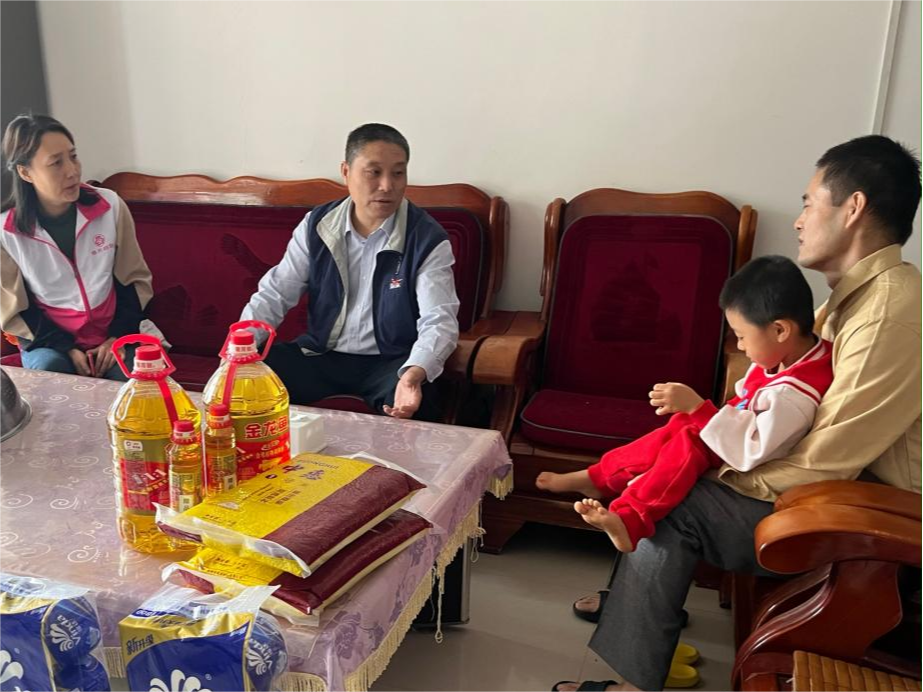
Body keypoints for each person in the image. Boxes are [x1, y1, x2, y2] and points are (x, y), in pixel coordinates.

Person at [553, 134, 922, 692]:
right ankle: (640, 607)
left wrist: (715, 462)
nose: (799, 220)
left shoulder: (888, 313)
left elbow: (828, 461)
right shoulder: (859, 295)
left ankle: (635, 676)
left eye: (809, 202)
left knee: (680, 498)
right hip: (845, 491)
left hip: (878, 518)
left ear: (853, 208)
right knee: (675, 453)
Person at [539, 256, 833, 553]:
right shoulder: (789, 353)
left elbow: (751, 452)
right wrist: (699, 414)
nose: (740, 346)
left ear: (780, 330)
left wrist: (700, 410)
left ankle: (631, 519)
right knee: (680, 424)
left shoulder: (791, 397)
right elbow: (745, 397)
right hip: (736, 429)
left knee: (687, 442)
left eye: (742, 336)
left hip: (743, 452)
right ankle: (599, 477)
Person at [240, 123, 459, 421]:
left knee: (417, 398)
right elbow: (276, 292)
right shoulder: (318, 226)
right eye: (373, 172)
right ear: (346, 172)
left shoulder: (427, 239)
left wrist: (414, 373)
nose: (387, 185)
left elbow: (439, 318)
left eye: (398, 173)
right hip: (320, 356)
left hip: (391, 362)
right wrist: (240, 347)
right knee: (252, 380)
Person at [0, 114, 155, 379]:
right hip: (48, 340)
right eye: (56, 163)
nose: (72, 171)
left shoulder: (110, 206)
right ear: (25, 173)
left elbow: (134, 282)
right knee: (52, 372)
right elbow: (16, 311)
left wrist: (116, 337)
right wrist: (66, 348)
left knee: (133, 382)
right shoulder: (6, 232)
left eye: (73, 157)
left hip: (111, 334)